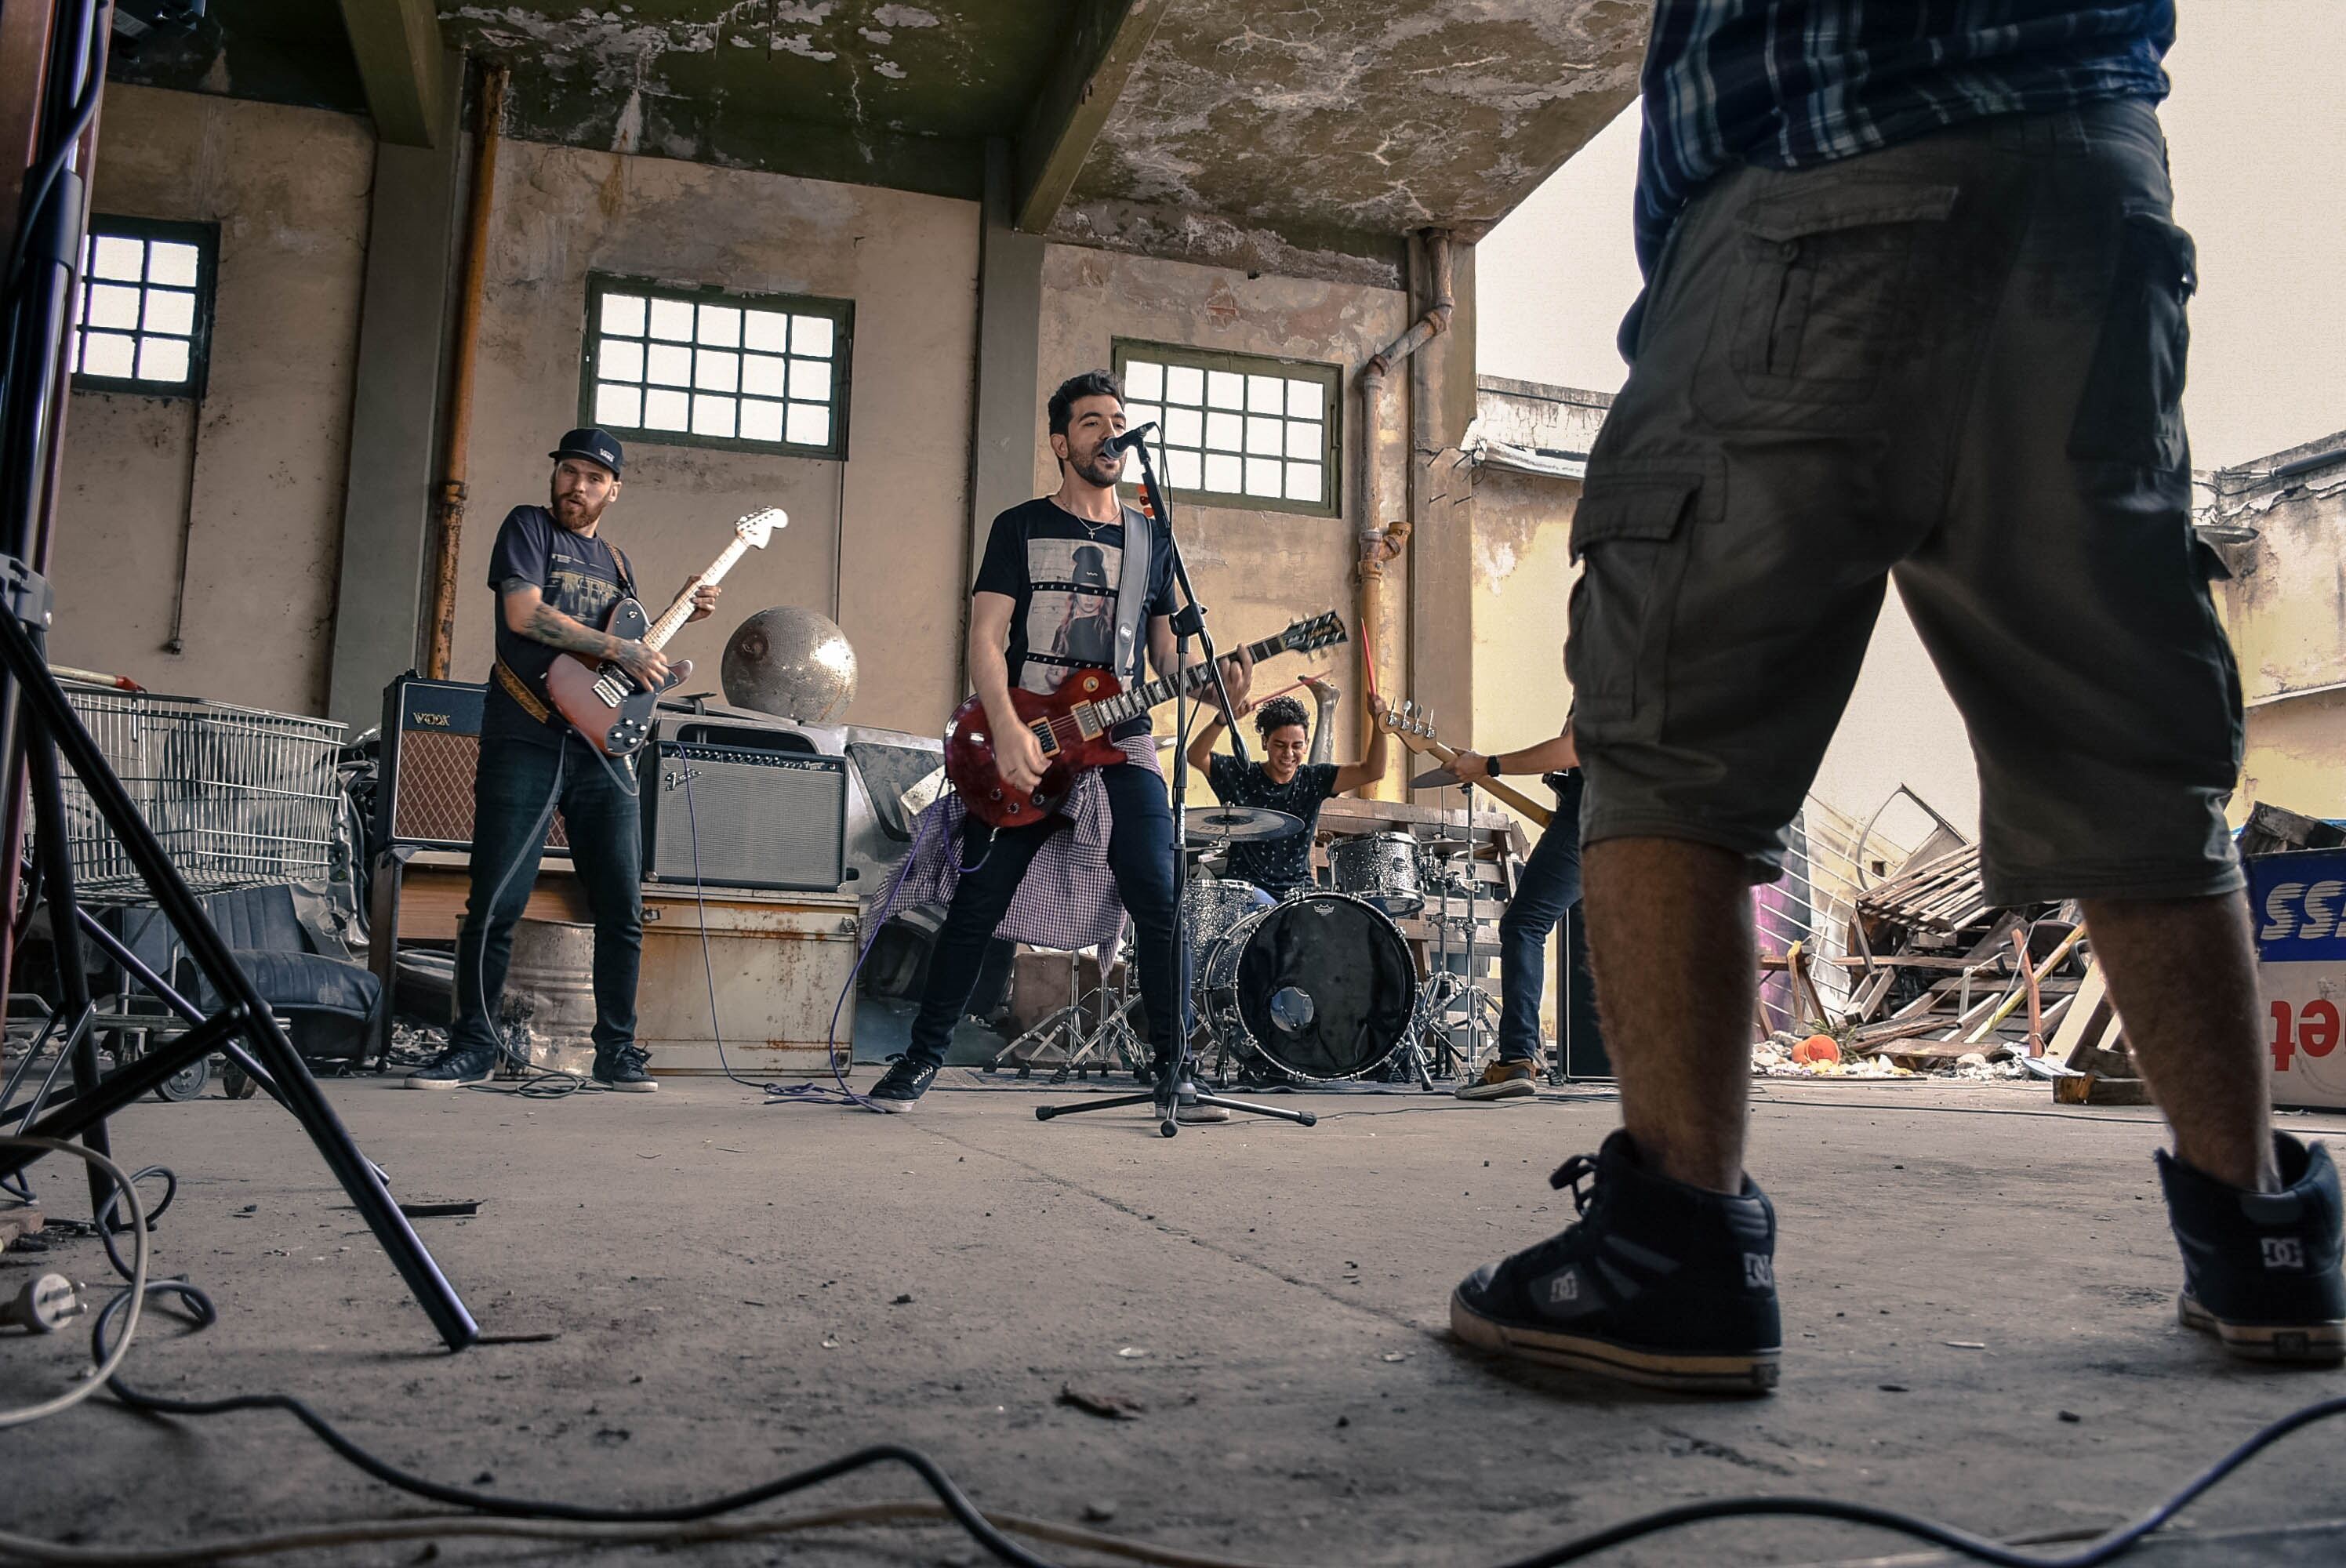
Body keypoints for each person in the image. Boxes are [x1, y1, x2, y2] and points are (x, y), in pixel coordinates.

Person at [1453, 2, 2342, 1392]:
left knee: (1675, 735)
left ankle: (1673, 1252)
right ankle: (2263, 1239)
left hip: (1812, 156)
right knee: (2129, 738)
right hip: (2089, 178)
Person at [865, 372, 1243, 1112]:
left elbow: (1167, 661)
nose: (1110, 434)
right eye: (1093, 422)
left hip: (1123, 739)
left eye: (1119, 421)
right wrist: (1004, 727)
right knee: (978, 904)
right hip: (1029, 735)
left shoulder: (1149, 537)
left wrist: (1210, 678)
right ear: (1061, 442)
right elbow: (985, 634)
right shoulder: (1020, 526)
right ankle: (919, 1060)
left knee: (1158, 895)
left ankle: (1175, 1069)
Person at [405, 429, 720, 1093]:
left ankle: (615, 1050)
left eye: (593, 478)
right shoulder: (529, 530)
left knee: (622, 906)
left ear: (614, 490)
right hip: (525, 735)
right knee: (497, 900)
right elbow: (524, 616)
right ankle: (473, 1046)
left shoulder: (618, 562)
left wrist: (678, 619)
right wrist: (620, 650)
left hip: (601, 750)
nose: (577, 486)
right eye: (569, 472)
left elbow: (631, 651)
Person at [1445, 726, 1585, 1100]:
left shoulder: (1604, 672)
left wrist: (1489, 764)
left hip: (1593, 817)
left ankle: (1517, 1058)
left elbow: (1573, 748)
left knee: (1524, 925)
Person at [1184, 677, 1389, 901]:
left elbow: (1372, 771)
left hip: (1299, 893)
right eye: (1280, 745)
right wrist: (1223, 719)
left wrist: (1379, 722)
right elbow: (1195, 755)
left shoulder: (1313, 780)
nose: (1289, 754)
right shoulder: (1242, 775)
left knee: (1366, 907)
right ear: (1265, 742)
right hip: (1250, 892)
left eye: (1297, 746)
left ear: (1306, 744)